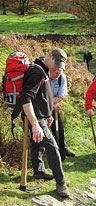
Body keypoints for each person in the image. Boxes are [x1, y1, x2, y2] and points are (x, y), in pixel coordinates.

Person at [18, 48, 70, 197]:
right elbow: (26, 99)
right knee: (53, 147)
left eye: (61, 66)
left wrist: (48, 114)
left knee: (37, 143)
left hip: (41, 116)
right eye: (57, 63)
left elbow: (41, 96)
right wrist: (35, 124)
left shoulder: (43, 69)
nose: (58, 68)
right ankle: (61, 183)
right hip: (34, 117)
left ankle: (38, 170)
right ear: (50, 56)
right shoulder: (37, 72)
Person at [50, 71, 75, 162]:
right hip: (40, 108)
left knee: (59, 128)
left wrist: (52, 103)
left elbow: (60, 97)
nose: (57, 76)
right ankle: (49, 152)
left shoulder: (61, 78)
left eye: (59, 74)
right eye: (55, 73)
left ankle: (63, 148)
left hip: (53, 107)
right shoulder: (44, 76)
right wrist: (52, 103)